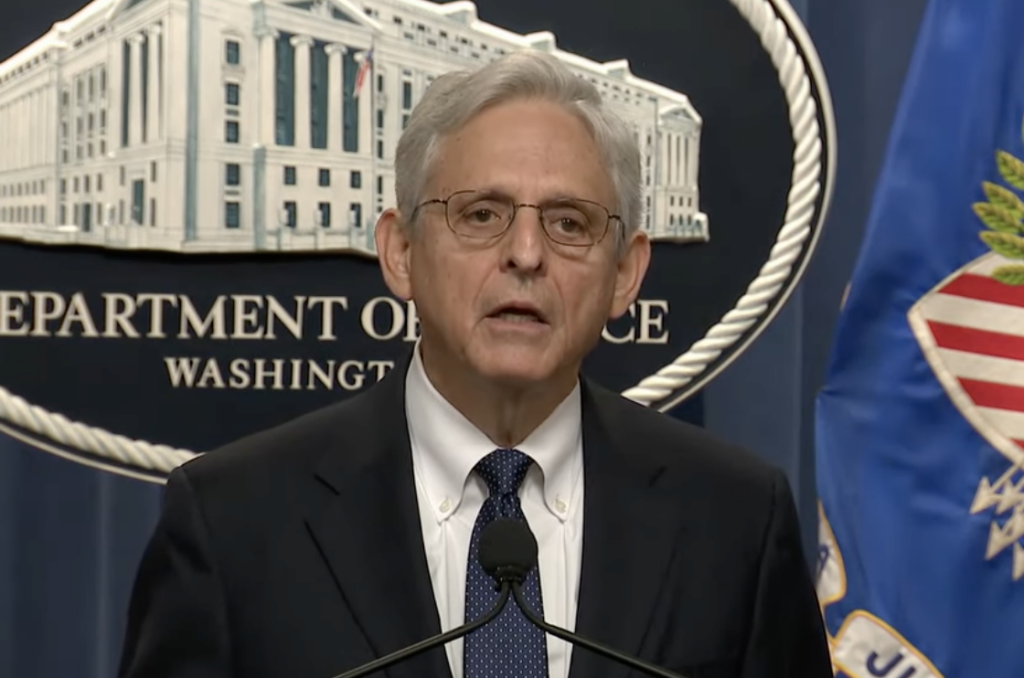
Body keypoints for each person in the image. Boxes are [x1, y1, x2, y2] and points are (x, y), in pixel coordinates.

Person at [117, 50, 833, 678]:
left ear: (625, 274)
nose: (526, 255)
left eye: (570, 222)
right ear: (401, 252)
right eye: (482, 214)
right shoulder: (233, 524)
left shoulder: (734, 520)